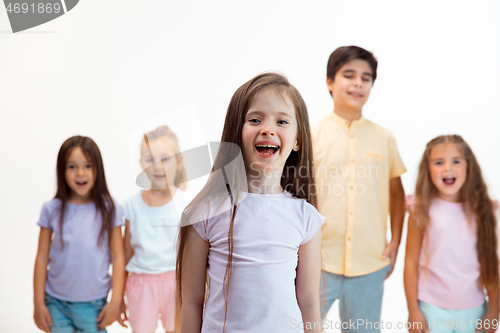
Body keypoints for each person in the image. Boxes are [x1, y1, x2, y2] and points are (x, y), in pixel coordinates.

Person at [176, 72, 325, 332]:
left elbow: (310, 303)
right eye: (255, 120)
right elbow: (190, 302)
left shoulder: (306, 217)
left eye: (282, 121)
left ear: (298, 140)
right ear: (237, 131)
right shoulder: (204, 213)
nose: (268, 129)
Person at [311, 45, 407, 330]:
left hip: (369, 263)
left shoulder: (384, 138)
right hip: (317, 262)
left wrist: (395, 242)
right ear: (330, 82)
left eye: (366, 78)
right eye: (349, 75)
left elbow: (397, 195)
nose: (358, 83)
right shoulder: (310, 134)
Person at [404, 134, 499, 333]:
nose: (448, 168)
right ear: (427, 169)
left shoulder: (483, 211)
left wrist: (494, 311)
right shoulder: (421, 210)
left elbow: (491, 262)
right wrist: (413, 310)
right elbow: (411, 262)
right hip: (431, 308)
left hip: (473, 309)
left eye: (456, 161)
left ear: (468, 167)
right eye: (439, 162)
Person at [33, 136, 125, 333]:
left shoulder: (110, 208)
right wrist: (38, 304)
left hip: (93, 305)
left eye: (88, 166)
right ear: (61, 170)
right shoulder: (51, 209)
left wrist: (116, 301)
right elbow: (41, 257)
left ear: (98, 169)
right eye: (72, 166)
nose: (80, 173)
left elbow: (118, 257)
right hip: (56, 303)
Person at [122, 125, 190, 333]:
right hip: (141, 285)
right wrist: (117, 297)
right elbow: (125, 253)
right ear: (141, 164)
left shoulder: (186, 206)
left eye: (165, 159)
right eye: (149, 159)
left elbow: (190, 256)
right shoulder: (130, 207)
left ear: (178, 161)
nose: (157, 166)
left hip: (175, 283)